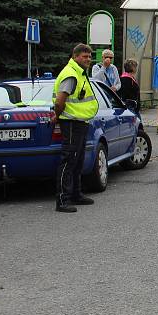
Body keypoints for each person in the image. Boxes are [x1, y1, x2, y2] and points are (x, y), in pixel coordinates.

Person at [51, 43, 99, 212]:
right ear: (75, 56)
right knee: (69, 160)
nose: (88, 60)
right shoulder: (71, 74)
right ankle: (62, 200)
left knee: (77, 161)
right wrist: (58, 116)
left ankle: (76, 195)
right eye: (85, 57)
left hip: (79, 122)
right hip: (71, 122)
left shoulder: (79, 73)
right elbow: (59, 101)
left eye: (90, 56)